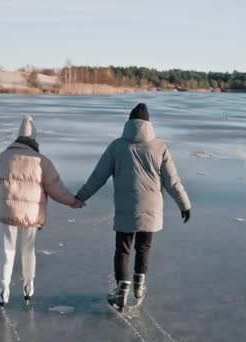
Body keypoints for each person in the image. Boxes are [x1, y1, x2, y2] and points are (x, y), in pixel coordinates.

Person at [75, 103, 191, 312]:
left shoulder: (117, 146)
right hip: (152, 208)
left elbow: (98, 176)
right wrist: (184, 204)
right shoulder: (159, 147)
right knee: (143, 247)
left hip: (126, 208)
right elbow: (172, 181)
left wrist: (80, 197)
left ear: (129, 122)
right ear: (148, 124)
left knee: (123, 249)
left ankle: (121, 292)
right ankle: (139, 286)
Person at [0, 115, 84, 306]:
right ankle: (28, 287)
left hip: (6, 213)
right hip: (31, 215)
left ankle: (3, 291)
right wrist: (72, 201)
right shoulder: (42, 161)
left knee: (7, 251)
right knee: (28, 250)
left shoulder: (3, 157)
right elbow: (55, 188)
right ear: (34, 139)